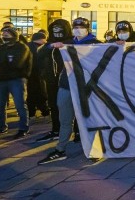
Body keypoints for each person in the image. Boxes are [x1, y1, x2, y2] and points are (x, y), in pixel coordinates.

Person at [38, 18, 101, 164]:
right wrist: (51, 46)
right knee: (65, 119)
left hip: (87, 88)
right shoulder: (67, 43)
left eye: (81, 26)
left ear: (87, 29)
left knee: (89, 119)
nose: (78, 29)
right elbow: (41, 53)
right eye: (76, 26)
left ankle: (94, 149)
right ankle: (60, 149)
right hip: (67, 85)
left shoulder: (96, 44)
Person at [0, 25, 32, 139]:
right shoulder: (1, 48)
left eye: (7, 34)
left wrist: (1, 64)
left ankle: (23, 128)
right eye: (3, 35)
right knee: (0, 105)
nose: (5, 36)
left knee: (20, 104)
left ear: (14, 36)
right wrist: (1, 65)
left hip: (16, 80)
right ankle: (1, 127)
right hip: (1, 79)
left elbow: (17, 64)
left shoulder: (21, 48)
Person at [36, 19, 71, 142]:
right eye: (55, 30)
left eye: (60, 30)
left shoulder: (72, 43)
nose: (57, 33)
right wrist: (50, 46)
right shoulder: (48, 45)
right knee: (54, 105)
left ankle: (77, 132)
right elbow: (39, 56)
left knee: (74, 107)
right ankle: (56, 129)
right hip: (52, 80)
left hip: (69, 82)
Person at [27, 30, 50, 118]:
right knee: (41, 93)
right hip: (38, 74)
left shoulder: (28, 46)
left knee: (32, 93)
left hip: (31, 74)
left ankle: (32, 112)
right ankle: (44, 111)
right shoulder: (41, 48)